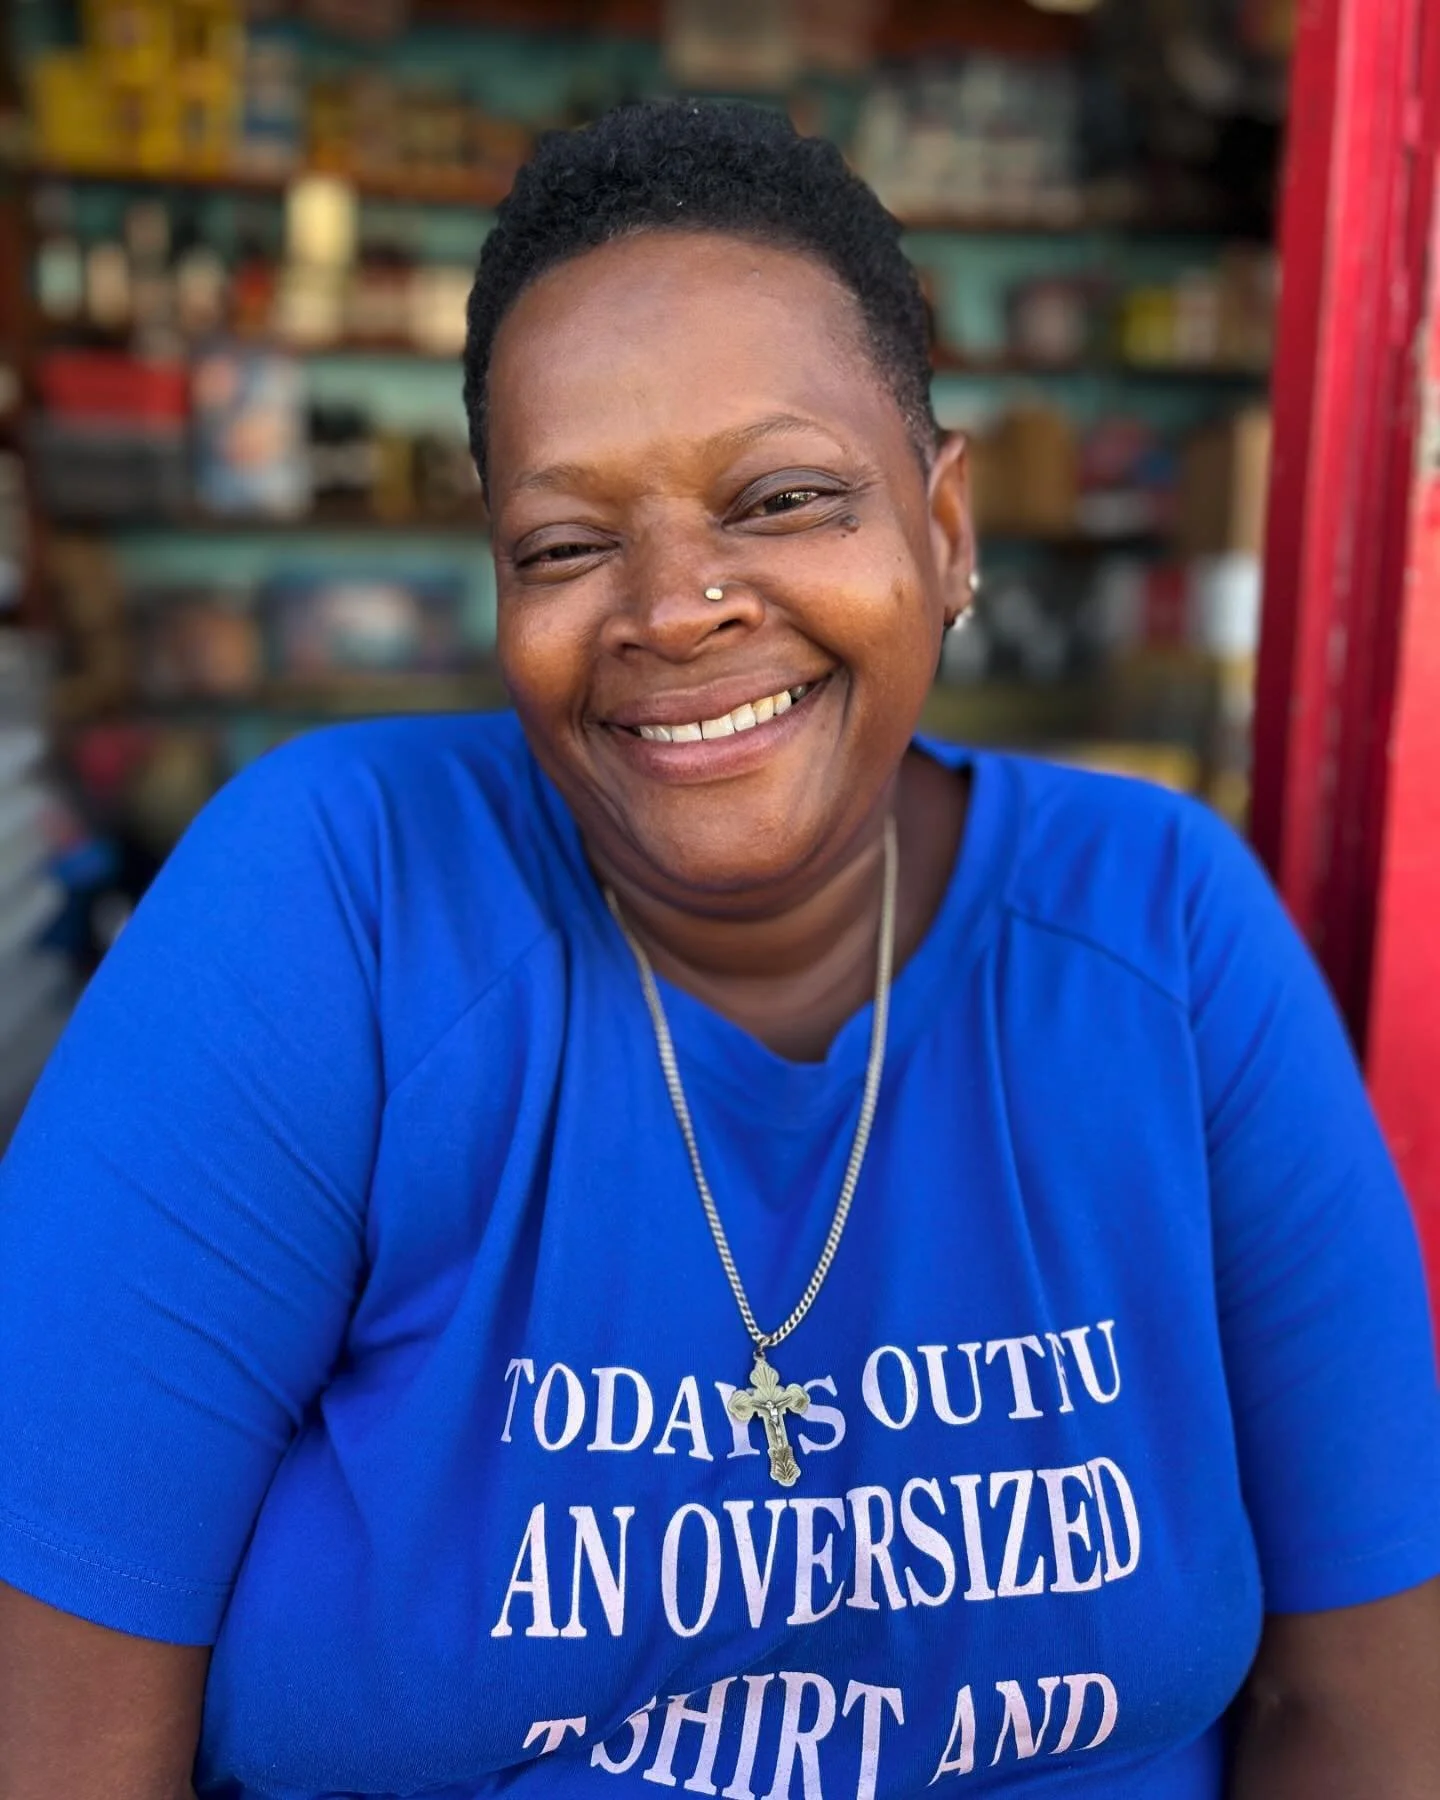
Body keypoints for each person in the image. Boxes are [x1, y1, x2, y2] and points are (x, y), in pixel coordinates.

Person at [1, 100, 1439, 1800]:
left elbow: (1361, 1710)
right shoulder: (330, 905)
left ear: (947, 528)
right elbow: (59, 1744)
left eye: (783, 498)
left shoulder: (1166, 935)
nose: (676, 606)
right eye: (565, 542)